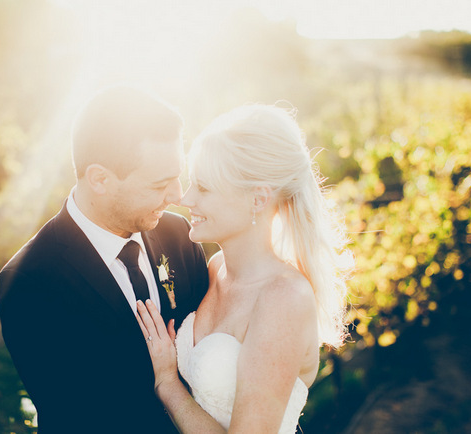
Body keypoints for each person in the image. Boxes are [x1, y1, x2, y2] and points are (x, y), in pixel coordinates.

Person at [0, 85, 209, 433]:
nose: (178, 195)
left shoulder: (179, 236)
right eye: (160, 184)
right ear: (100, 179)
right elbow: (80, 415)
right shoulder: (30, 282)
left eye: (177, 176)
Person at [136, 104, 352, 433]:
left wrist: (168, 384)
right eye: (191, 183)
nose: (186, 198)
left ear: (258, 199)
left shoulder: (285, 297)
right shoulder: (215, 268)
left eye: (204, 188)